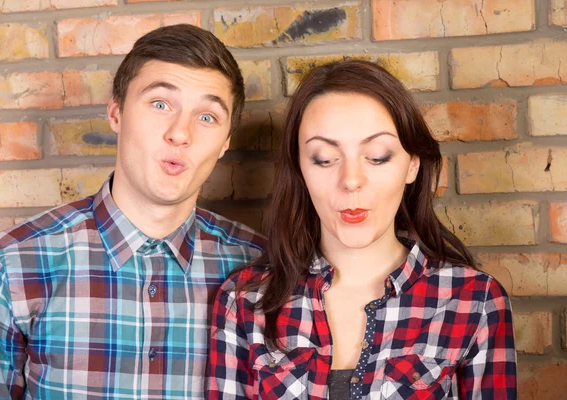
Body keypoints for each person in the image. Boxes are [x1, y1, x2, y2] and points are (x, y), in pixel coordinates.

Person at [0, 24, 264, 399]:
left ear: (224, 143)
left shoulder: (259, 269)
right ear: (116, 113)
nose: (180, 133)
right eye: (161, 104)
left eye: (207, 117)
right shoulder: (13, 262)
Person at [207, 60, 516, 399]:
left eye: (378, 156)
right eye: (324, 158)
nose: (351, 181)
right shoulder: (246, 301)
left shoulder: (473, 300)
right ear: (300, 169)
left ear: (412, 164)